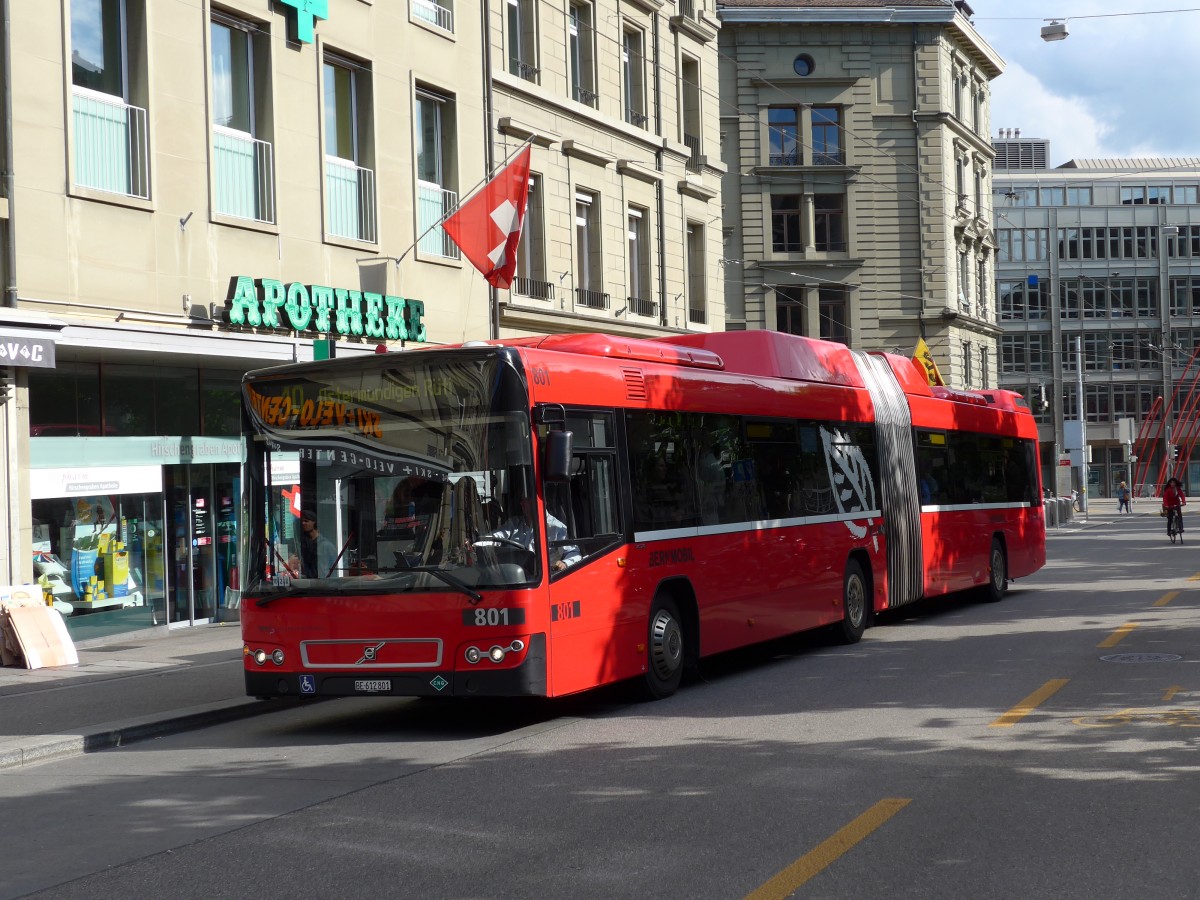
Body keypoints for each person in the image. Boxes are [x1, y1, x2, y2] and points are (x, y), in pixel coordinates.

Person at [481, 495, 580, 572]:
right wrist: (477, 544)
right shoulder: (514, 524)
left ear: (542, 501)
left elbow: (573, 552)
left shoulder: (557, 528)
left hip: (543, 580)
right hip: (511, 578)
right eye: (522, 500)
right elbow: (495, 537)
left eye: (527, 499)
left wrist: (564, 563)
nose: (522, 503)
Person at [298, 509, 337, 577]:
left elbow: (328, 570)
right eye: (302, 521)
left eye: (306, 521)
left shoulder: (326, 546)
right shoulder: (303, 544)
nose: (303, 523)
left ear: (314, 522)